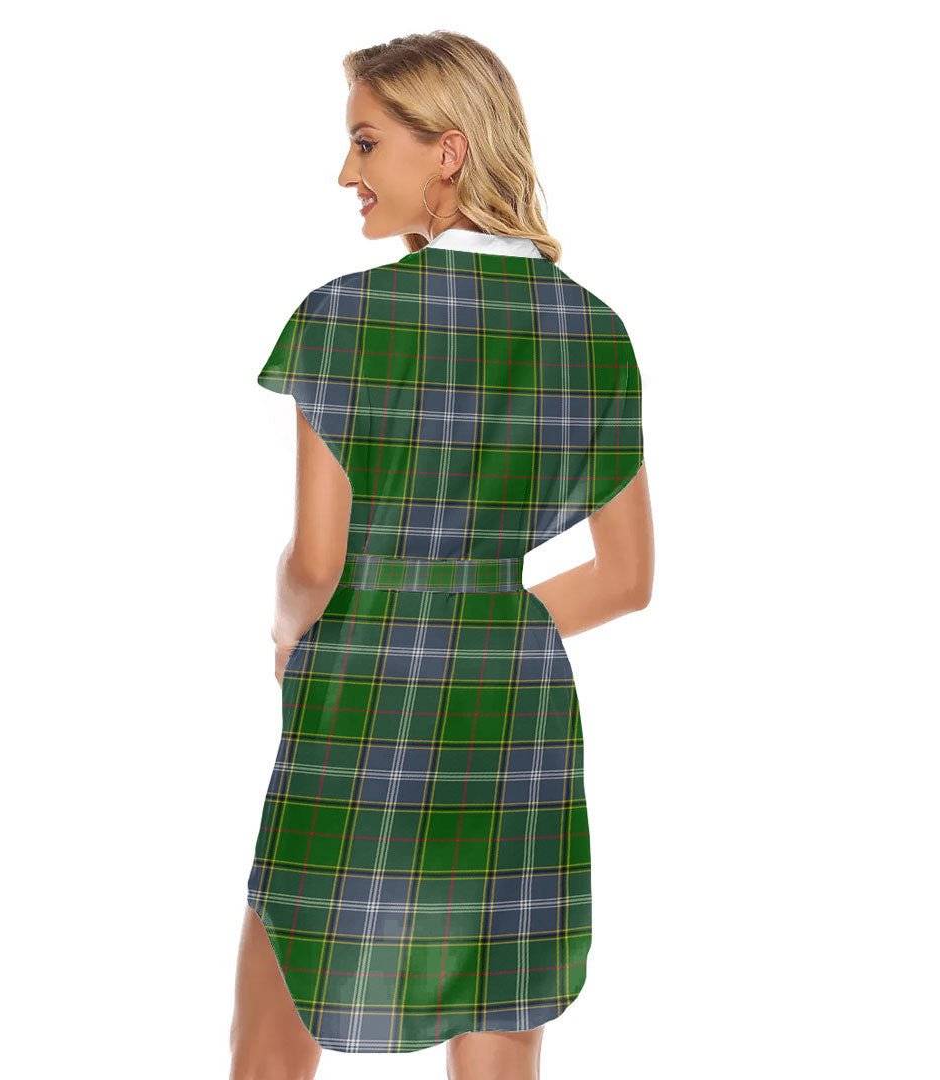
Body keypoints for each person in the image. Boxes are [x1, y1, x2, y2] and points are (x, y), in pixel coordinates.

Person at [229, 31, 654, 1080]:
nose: (346, 172)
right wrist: (481, 627)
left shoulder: (344, 318)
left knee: (276, 1026)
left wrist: (286, 634)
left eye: (367, 142)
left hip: (360, 693)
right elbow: (626, 578)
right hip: (515, 713)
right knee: (501, 999)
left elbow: (317, 564)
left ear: (450, 149)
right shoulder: (594, 332)